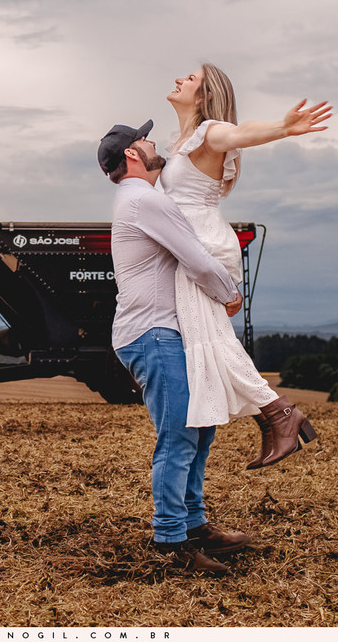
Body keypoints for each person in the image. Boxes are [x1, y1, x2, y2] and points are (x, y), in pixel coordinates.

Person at [98, 119, 250, 575]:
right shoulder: (144, 199)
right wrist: (230, 293)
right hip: (154, 333)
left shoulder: (139, 199)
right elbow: (196, 257)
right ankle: (171, 542)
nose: (152, 142)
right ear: (131, 154)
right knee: (180, 435)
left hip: (163, 331)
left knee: (200, 429)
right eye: (144, 139)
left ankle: (194, 524)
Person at [162, 63, 331, 469]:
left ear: (204, 96)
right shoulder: (179, 141)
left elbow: (240, 132)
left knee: (212, 343)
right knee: (209, 343)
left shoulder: (209, 132)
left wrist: (282, 127)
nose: (178, 80)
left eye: (190, 79)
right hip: (193, 245)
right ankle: (273, 418)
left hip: (201, 247)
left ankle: (281, 415)